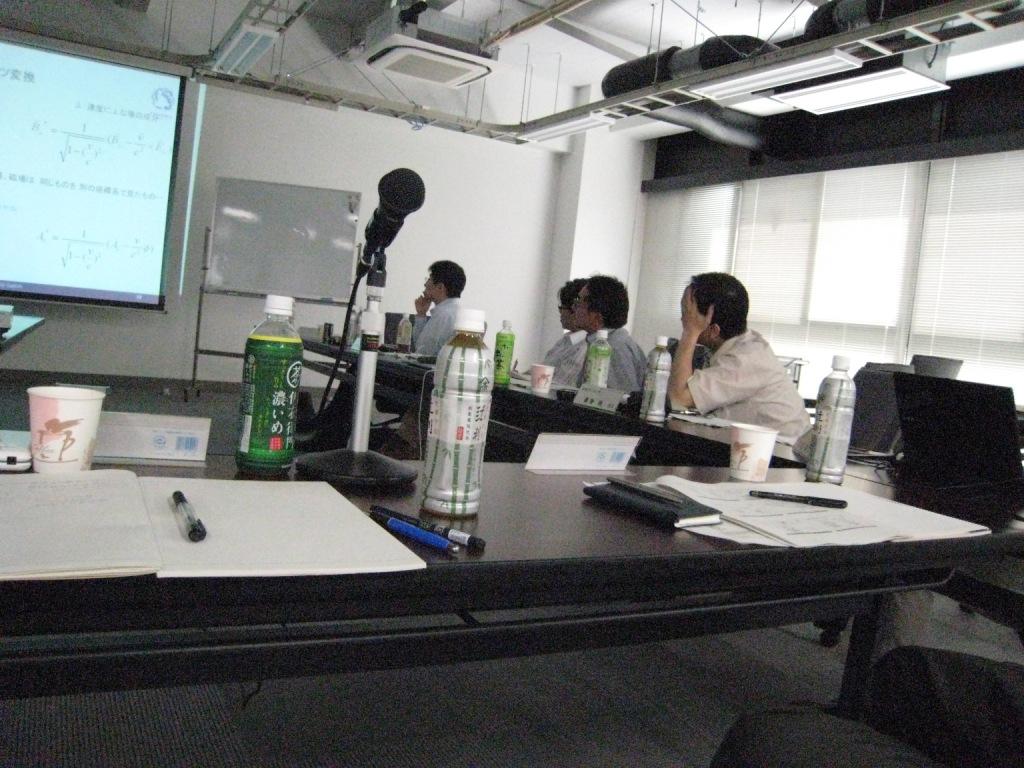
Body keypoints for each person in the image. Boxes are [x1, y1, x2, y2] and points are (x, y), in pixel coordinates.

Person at [667, 272, 810, 440]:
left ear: (714, 330)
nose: (683, 319)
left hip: (780, 451)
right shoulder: (741, 346)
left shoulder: (745, 360)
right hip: (750, 444)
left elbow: (679, 399)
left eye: (688, 314)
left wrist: (690, 332)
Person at [558, 274, 646, 392]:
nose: (574, 307)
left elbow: (618, 398)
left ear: (596, 317)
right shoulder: (610, 341)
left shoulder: (614, 349)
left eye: (579, 302)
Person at [412, 260, 465, 357]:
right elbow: (420, 346)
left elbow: (423, 352)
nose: (425, 284)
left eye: (429, 279)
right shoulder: (453, 311)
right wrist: (421, 314)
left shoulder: (444, 315)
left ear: (440, 287)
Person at [542, 278, 588, 387]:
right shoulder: (566, 339)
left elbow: (560, 384)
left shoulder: (584, 346)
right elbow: (543, 369)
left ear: (575, 310)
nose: (560, 313)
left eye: (561, 308)